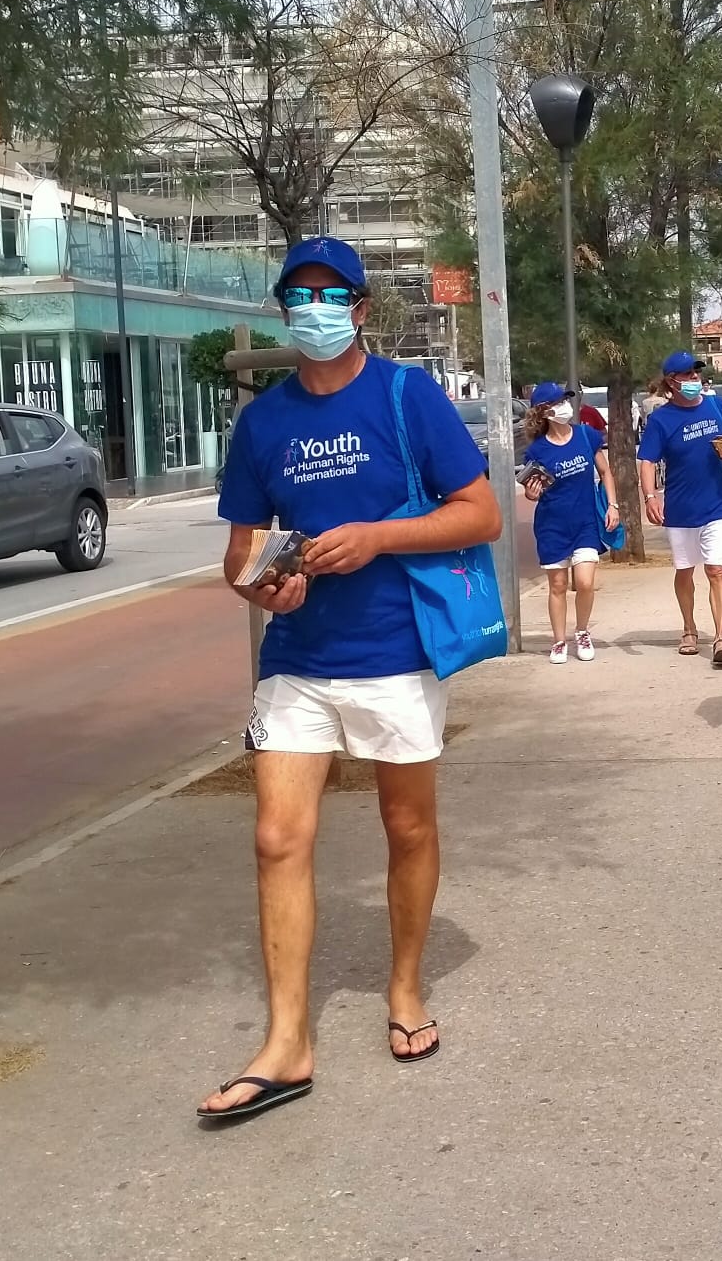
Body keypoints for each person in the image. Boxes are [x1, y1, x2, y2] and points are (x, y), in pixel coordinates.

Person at [200, 235, 503, 1119]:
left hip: (396, 653)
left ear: (362, 311)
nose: (314, 312)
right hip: (298, 660)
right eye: (299, 297)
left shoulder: (407, 395)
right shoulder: (264, 423)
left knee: (406, 828)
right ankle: (287, 1042)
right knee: (276, 838)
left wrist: (375, 536)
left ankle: (404, 988)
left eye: (332, 297)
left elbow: (479, 512)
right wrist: (268, 586)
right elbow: (239, 553)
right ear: (283, 312)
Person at [637, 350, 722, 667]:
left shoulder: (715, 406)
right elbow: (647, 461)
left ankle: (721, 637)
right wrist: (650, 496)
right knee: (685, 571)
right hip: (681, 508)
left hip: (716, 504)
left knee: (716, 569)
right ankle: (688, 628)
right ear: (671, 381)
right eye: (686, 375)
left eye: (696, 373)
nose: (694, 379)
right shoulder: (661, 419)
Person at [521, 381, 618, 664]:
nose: (565, 406)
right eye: (558, 402)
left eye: (565, 400)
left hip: (586, 523)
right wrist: (530, 492)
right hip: (552, 526)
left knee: (585, 583)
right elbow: (531, 488)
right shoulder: (537, 451)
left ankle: (582, 631)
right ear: (544, 411)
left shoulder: (586, 435)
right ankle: (558, 641)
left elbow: (606, 471)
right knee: (558, 585)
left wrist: (613, 505)